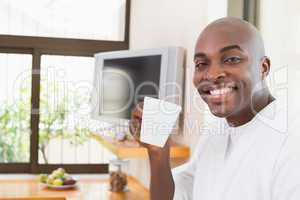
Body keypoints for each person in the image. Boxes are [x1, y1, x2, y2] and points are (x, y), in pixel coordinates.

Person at [129, 17, 300, 200]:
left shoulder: (291, 141)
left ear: (263, 67)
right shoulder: (215, 134)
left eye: (232, 59)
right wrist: (158, 153)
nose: (211, 74)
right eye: (201, 64)